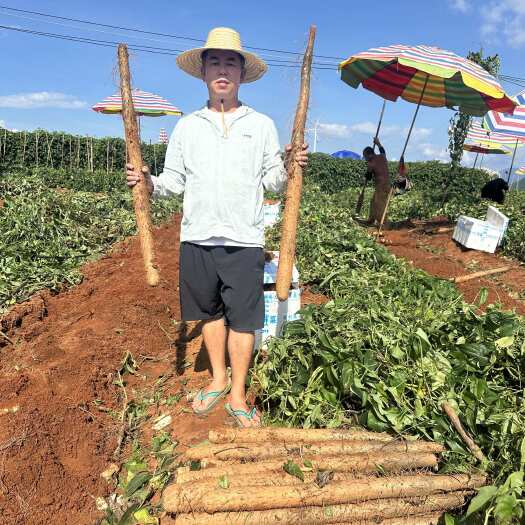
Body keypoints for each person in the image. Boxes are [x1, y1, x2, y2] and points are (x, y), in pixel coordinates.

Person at [126, 27, 308, 428]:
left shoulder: (260, 125)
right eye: (215, 62)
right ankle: (218, 380)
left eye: (230, 62)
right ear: (204, 72)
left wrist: (291, 164)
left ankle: (239, 394)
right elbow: (172, 182)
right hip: (197, 237)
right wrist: (148, 182)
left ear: (241, 74)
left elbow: (275, 182)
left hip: (244, 238)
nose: (222, 69)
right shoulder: (188, 127)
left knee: (243, 319)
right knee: (209, 313)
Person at [363, 137, 390, 224]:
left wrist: (367, 172)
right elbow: (382, 150)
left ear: (368, 155)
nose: (365, 158)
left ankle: (384, 223)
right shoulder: (382, 156)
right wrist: (378, 143)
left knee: (380, 204)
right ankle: (371, 219)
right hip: (387, 184)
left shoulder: (371, 163)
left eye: (365, 156)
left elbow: (368, 177)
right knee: (373, 202)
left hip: (381, 186)